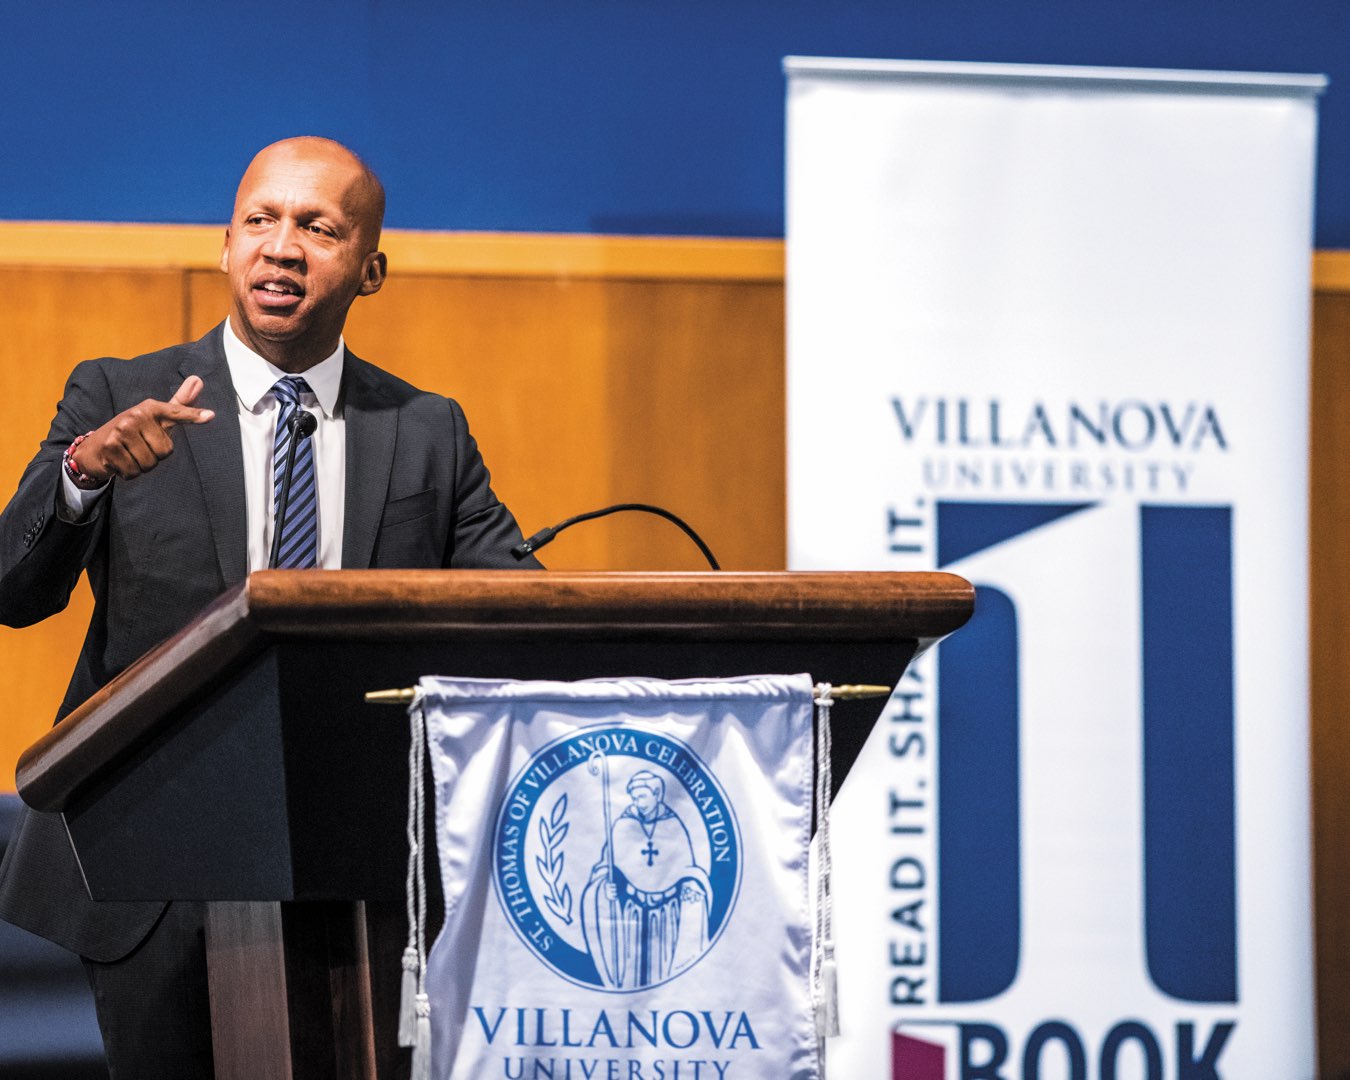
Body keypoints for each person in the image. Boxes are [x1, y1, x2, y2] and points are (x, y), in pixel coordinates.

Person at [0, 136, 541, 1078]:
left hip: (358, 861)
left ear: (370, 270)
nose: (282, 246)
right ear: (226, 247)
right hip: (151, 861)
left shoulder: (425, 430)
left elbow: (518, 614)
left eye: (318, 228)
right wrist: (82, 474)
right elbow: (14, 592)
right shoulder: (118, 395)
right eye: (261, 220)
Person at [581, 769, 711, 989]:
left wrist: (691, 886)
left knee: (666, 980)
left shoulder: (674, 824)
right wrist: (604, 887)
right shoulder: (622, 825)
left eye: (642, 796)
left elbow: (689, 870)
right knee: (631, 981)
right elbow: (605, 867)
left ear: (657, 794)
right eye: (634, 798)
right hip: (631, 914)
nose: (638, 803)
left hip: (666, 914)